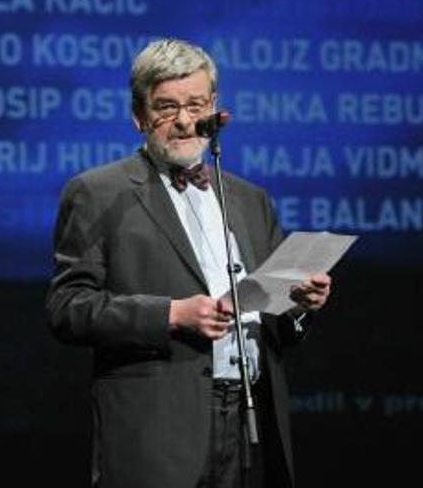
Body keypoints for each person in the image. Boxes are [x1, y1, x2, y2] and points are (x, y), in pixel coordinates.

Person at [45, 38, 332, 488]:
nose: (183, 120)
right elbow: (68, 308)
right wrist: (172, 314)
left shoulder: (249, 199)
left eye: (195, 105)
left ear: (213, 108)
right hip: (158, 431)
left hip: (251, 423)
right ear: (138, 115)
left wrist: (299, 303)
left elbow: (278, 325)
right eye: (166, 107)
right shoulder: (98, 193)